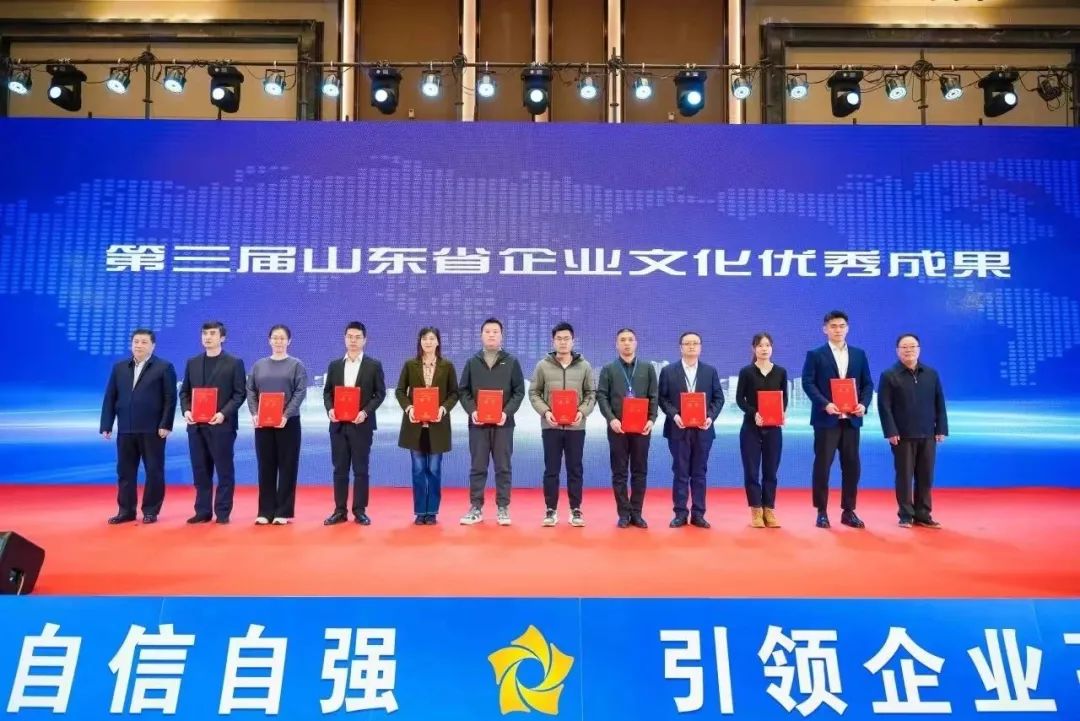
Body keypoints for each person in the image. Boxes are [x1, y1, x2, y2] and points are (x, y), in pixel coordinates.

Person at [801, 310, 874, 529]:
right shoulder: (815, 354)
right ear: (825, 329)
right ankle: (821, 511)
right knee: (823, 466)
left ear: (847, 328)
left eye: (842, 326)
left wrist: (863, 404)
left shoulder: (859, 354)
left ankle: (848, 511)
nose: (838, 330)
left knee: (852, 466)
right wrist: (825, 404)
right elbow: (807, 382)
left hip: (851, 420)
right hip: (826, 419)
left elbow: (868, 384)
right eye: (833, 326)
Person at [100, 328, 177, 524]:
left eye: (144, 342)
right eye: (136, 342)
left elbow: (170, 399)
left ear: (153, 346)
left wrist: (166, 424)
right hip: (126, 429)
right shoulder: (119, 368)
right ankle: (126, 511)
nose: (139, 345)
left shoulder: (163, 367)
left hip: (153, 430)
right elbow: (110, 397)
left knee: (154, 471)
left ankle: (150, 510)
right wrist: (106, 424)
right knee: (125, 472)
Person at [458, 317, 526, 526]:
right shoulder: (472, 362)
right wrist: (472, 411)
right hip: (478, 425)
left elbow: (519, 391)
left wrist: (506, 412)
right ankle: (475, 508)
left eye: (495, 331)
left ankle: (503, 508)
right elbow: (463, 391)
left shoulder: (511, 361)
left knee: (503, 467)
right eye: (487, 331)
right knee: (477, 467)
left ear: (501, 335)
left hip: (504, 424)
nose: (491, 335)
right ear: (481, 335)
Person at [877, 333, 948, 529]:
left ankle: (923, 514)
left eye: (912, 346)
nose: (909, 350)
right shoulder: (889, 375)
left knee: (926, 476)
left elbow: (939, 402)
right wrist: (891, 431)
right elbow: (884, 406)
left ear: (919, 349)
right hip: (902, 436)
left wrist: (941, 428)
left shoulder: (931, 374)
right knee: (904, 476)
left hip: (928, 434)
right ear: (897, 351)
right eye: (904, 347)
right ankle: (906, 515)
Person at [528, 322, 596, 527]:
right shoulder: (543, 365)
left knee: (575, 469)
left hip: (576, 427)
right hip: (551, 427)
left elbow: (591, 393)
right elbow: (534, 393)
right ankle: (551, 509)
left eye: (567, 338)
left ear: (573, 341)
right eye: (559, 338)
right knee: (551, 469)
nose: (563, 342)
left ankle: (576, 509)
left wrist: (582, 412)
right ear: (553, 341)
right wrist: (546, 412)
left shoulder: (584, 366)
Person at [178, 320, 246, 524]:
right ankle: (202, 511)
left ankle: (223, 512)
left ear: (222, 337)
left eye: (213, 333)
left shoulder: (234, 363)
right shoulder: (192, 362)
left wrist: (223, 413)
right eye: (205, 333)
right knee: (200, 470)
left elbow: (239, 394)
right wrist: (186, 410)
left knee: (224, 470)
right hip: (196, 426)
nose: (207, 337)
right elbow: (184, 392)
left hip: (221, 425)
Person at [658, 331, 725, 528]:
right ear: (681, 347)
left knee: (699, 472)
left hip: (703, 430)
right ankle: (680, 513)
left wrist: (710, 417)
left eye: (695, 343)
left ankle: (698, 514)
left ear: (700, 347)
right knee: (680, 472)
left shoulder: (710, 371)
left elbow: (718, 398)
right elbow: (662, 398)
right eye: (687, 343)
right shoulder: (668, 371)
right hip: (678, 429)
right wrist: (675, 415)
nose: (691, 346)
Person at [322, 322, 386, 526]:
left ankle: (359, 510)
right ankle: (339, 510)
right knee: (339, 469)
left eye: (358, 337)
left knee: (361, 469)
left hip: (361, 425)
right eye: (350, 336)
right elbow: (327, 392)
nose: (353, 340)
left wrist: (365, 412)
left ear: (364, 340)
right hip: (338, 426)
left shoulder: (373, 365)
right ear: (344, 339)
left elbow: (380, 394)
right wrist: (330, 409)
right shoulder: (334, 365)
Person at [395, 327, 459, 525]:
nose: (428, 342)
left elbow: (454, 393)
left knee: (434, 470)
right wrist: (409, 409)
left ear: (438, 342)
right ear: (420, 342)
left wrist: (443, 409)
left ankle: (432, 512)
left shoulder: (447, 366)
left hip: (437, 427)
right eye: (424, 339)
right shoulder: (410, 365)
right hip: (415, 426)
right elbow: (400, 391)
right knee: (418, 471)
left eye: (432, 338)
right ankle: (420, 511)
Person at [596, 328, 658, 528]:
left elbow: (654, 396)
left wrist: (651, 419)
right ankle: (623, 513)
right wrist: (611, 419)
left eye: (630, 339)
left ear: (636, 343)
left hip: (642, 429)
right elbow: (602, 396)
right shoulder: (608, 369)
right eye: (622, 340)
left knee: (640, 471)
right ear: (616, 345)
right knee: (619, 472)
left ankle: (637, 513)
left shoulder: (647, 368)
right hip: (618, 429)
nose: (627, 343)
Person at [246, 324, 308, 525]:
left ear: (289, 341)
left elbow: (300, 391)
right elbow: (250, 390)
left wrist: (286, 415)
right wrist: (255, 413)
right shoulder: (259, 365)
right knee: (265, 466)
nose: (278, 341)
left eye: (282, 338)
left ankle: (283, 512)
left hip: (288, 423)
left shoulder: (296, 365)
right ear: (269, 340)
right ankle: (265, 511)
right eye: (275, 338)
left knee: (288, 466)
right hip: (263, 422)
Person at [734, 332, 788, 529]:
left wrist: (782, 413)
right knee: (751, 470)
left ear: (772, 348)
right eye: (760, 345)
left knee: (771, 470)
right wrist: (754, 413)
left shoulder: (780, 372)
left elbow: (784, 398)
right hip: (751, 427)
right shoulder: (746, 372)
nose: (764, 349)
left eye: (767, 345)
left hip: (773, 428)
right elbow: (740, 399)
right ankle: (756, 509)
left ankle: (769, 509)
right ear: (753, 348)